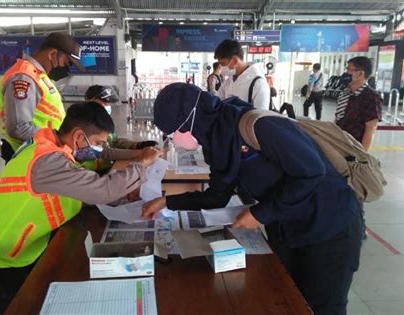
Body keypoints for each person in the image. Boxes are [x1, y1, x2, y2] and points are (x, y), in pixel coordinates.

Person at [142, 83, 362, 315]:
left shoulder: (260, 126)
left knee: (323, 307)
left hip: (329, 226)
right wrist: (167, 202)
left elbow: (312, 172)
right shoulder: (218, 140)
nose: (175, 140)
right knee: (290, 297)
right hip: (288, 228)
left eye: (175, 131)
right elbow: (218, 196)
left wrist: (260, 214)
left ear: (192, 119)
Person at [0, 102, 162, 313]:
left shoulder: (48, 147)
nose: (101, 149)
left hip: (13, 253)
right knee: (46, 302)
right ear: (78, 136)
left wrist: (114, 193)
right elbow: (105, 189)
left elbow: (76, 191)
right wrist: (142, 165)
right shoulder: (48, 161)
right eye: (99, 142)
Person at [0, 32, 83, 163]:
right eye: (66, 63)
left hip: (42, 150)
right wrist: (59, 139)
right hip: (28, 155)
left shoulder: (39, 76)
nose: (66, 69)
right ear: (52, 55)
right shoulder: (23, 77)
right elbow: (19, 128)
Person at [334, 56, 383, 239]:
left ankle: (359, 228)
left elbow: (370, 129)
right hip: (338, 144)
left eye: (350, 69)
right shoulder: (345, 92)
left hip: (354, 149)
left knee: (355, 188)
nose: (346, 73)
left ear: (361, 73)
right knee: (340, 185)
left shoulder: (371, 97)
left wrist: (361, 155)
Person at [84, 85, 158, 173]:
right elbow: (104, 152)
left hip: (107, 168)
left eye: (107, 104)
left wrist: (137, 145)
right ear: (91, 102)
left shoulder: (101, 121)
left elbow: (114, 141)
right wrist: (139, 153)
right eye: (104, 103)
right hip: (90, 173)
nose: (107, 106)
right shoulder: (84, 124)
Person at [214, 39, 270, 110]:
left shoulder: (258, 84)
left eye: (223, 64)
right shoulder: (229, 81)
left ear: (234, 60)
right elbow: (218, 101)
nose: (221, 67)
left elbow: (261, 117)